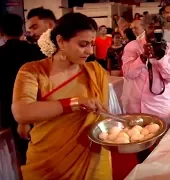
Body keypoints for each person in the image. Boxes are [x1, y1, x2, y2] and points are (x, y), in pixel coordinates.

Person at [12, 13, 112, 180]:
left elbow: (101, 117)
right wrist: (75, 103)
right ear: (60, 41)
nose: (89, 51)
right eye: (82, 44)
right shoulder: (33, 71)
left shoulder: (95, 72)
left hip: (88, 159)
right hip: (47, 162)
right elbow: (22, 112)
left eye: (91, 45)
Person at [0, 13, 45, 165]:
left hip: (10, 111)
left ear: (1, 32)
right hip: (41, 108)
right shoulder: (37, 51)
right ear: (22, 30)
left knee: (23, 157)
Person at [121, 23, 170, 125]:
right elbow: (128, 74)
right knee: (135, 137)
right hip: (135, 106)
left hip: (159, 106)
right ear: (144, 28)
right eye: (151, 26)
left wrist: (161, 59)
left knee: (162, 140)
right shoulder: (132, 46)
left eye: (158, 28)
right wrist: (143, 57)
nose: (154, 31)